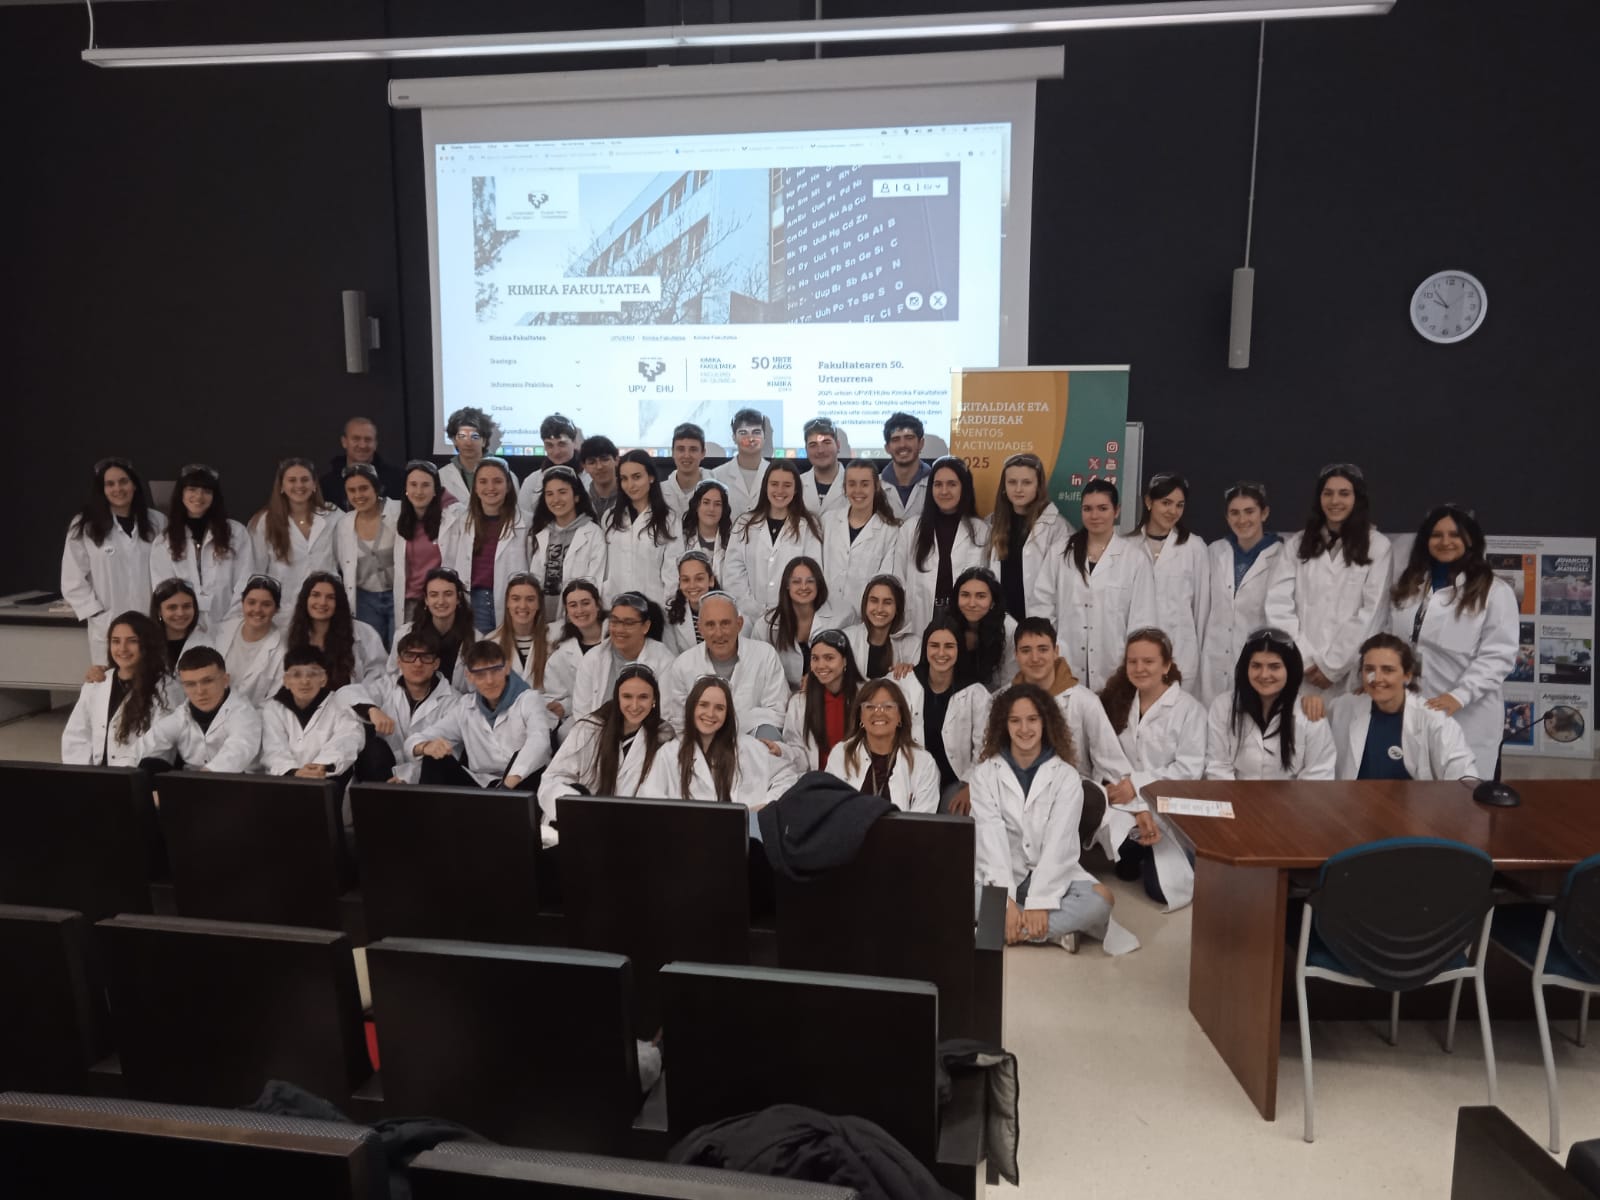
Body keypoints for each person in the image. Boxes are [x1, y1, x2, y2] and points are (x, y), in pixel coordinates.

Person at [969, 683, 1117, 954]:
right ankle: (1053, 933)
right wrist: (1004, 901)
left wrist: (1041, 901)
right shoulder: (984, 775)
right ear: (1004, 725)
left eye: (1032, 719)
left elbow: (1060, 844)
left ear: (1045, 722)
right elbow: (990, 841)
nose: (1024, 729)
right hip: (1001, 872)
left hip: (1050, 873)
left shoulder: (1066, 777)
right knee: (951, 894)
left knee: (1101, 900)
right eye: (1015, 720)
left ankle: (994, 930)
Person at [1385, 504, 1518, 779]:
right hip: (1412, 708)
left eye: (1454, 534)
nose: (1445, 541)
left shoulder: (1494, 591)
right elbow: (1392, 641)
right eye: (1436, 535)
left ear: (1470, 540)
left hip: (1467, 715)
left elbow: (1498, 657)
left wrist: (1459, 696)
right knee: (1412, 792)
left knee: (1463, 793)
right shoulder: (1410, 585)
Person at [1264, 463, 1393, 699]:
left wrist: (1332, 667)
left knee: (1348, 721)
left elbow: (1372, 614)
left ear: (1357, 498)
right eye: (1328, 493)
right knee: (1300, 722)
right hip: (1303, 671)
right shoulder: (1297, 544)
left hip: (1351, 672)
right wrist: (1305, 659)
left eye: (1344, 493)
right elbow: (1278, 605)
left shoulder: (1378, 546)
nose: (1335, 501)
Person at [1097, 628, 1205, 909]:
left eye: (1148, 661)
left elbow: (1189, 769)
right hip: (1125, 803)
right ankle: (1134, 849)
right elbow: (1106, 756)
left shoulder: (1189, 710)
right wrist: (1129, 795)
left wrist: (1137, 784)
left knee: (1161, 891)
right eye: (1132, 661)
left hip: (1167, 804)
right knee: (1118, 842)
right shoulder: (1118, 701)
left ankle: (1151, 852)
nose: (1139, 668)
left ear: (1166, 665)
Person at [1309, 634, 1476, 781]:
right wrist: (1309, 703)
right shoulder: (1342, 707)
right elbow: (1310, 748)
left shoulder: (1434, 720)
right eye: (1369, 669)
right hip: (1351, 804)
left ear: (1407, 675)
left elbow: (1465, 778)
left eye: (1388, 670)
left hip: (1414, 807)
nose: (1377, 678)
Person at [1041, 479, 1157, 690]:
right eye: (1088, 509)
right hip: (1065, 662)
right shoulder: (1059, 553)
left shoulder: (1134, 559)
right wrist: (1050, 648)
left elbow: (1143, 620)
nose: (1095, 516)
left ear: (1116, 510)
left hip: (1115, 664)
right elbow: (1042, 605)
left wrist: (1134, 661)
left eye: (1103, 508)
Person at [538, 664, 675, 825]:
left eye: (643, 697)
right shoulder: (589, 728)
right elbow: (553, 779)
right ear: (617, 698)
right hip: (579, 822)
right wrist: (579, 809)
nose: (635, 705)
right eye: (627, 696)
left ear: (654, 700)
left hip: (631, 824)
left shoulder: (663, 736)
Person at [1011, 618, 1136, 794]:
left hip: (1074, 795)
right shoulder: (1000, 701)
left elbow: (1111, 765)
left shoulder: (1085, 702)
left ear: (1056, 652)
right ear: (1015, 654)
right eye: (1026, 650)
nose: (1035, 658)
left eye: (1043, 649)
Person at [407, 640, 553, 789]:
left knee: (527, 763)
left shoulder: (529, 699)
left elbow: (539, 742)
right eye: (480, 674)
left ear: (507, 668)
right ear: (469, 676)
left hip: (523, 782)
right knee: (433, 759)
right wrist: (426, 747)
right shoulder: (465, 706)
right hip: (483, 786)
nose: (489, 681)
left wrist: (506, 787)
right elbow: (414, 740)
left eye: (495, 670)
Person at [62, 457, 165, 663]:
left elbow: (168, 571)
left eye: (123, 481)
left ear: (134, 485)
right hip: (109, 625)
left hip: (150, 622)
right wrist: (98, 614)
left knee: (153, 676)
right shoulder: (85, 525)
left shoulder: (157, 522)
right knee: (113, 679)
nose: (118, 489)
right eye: (110, 484)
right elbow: (72, 579)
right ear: (102, 490)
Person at [639, 675, 797, 808]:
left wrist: (766, 805)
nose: (710, 714)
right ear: (691, 708)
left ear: (728, 713)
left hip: (742, 832)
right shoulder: (669, 754)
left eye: (719, 708)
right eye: (703, 705)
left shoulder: (750, 747)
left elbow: (788, 777)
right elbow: (650, 799)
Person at [1204, 628, 1336, 780]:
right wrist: (1235, 796)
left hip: (1295, 796)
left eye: (1274, 666)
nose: (1264, 675)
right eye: (1256, 666)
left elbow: (1318, 775)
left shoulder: (1309, 712)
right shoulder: (1223, 707)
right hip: (1233, 793)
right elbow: (1218, 767)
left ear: (1290, 669)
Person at [894, 613, 993, 813]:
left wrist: (970, 785)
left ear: (959, 649)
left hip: (956, 782)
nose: (941, 653)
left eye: (949, 646)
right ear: (925, 648)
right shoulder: (905, 682)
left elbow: (985, 747)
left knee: (957, 815)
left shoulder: (975, 693)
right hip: (912, 779)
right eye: (934, 645)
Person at [661, 592, 790, 740]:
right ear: (700, 628)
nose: (719, 633)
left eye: (725, 623)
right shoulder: (683, 665)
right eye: (710, 625)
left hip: (755, 744)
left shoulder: (765, 655)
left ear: (739, 624)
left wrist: (728, 729)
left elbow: (777, 713)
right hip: (702, 744)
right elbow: (680, 722)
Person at [1199, 481, 1283, 704]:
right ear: (1227, 517)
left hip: (1259, 661)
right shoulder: (1214, 551)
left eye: (1249, 511)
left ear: (1264, 513)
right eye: (1234, 513)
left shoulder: (1281, 555)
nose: (1242, 519)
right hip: (1214, 661)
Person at [148, 463, 257, 633]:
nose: (199, 496)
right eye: (192, 489)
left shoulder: (236, 533)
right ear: (181, 493)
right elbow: (164, 590)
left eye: (206, 491)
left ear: (214, 496)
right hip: (184, 627)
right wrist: (188, 622)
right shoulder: (164, 541)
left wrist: (231, 621)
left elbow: (246, 581)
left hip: (231, 626)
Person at [348, 630, 459, 784]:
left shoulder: (454, 701)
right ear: (399, 662)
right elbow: (345, 694)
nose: (417, 663)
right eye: (409, 656)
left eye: (426, 657)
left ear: (436, 663)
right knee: (372, 748)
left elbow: (451, 754)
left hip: (427, 781)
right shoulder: (385, 685)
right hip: (383, 772)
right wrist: (371, 710)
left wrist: (407, 777)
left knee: (438, 758)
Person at [897, 456, 990, 637]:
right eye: (938, 484)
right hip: (920, 618)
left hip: (965, 619)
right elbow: (899, 579)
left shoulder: (981, 530)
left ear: (964, 488)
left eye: (952, 484)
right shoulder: (911, 529)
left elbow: (989, 584)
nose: (944, 491)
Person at [61, 611, 169, 767]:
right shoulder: (97, 683)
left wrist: (122, 772)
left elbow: (160, 741)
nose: (122, 648)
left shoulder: (165, 687)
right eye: (116, 641)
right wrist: (83, 772)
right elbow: (76, 735)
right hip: (95, 773)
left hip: (136, 772)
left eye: (132, 641)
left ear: (147, 644)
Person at [137, 645, 263, 775]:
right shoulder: (182, 715)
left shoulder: (243, 713)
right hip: (193, 782)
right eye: (190, 684)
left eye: (207, 681)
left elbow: (238, 751)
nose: (200, 691)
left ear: (225, 680)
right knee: (148, 765)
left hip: (238, 782)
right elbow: (146, 745)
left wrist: (198, 781)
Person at [723, 460, 824, 621]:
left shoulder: (808, 526)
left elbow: (811, 573)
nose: (780, 490)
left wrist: (788, 610)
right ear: (765, 487)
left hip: (792, 616)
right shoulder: (744, 524)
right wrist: (752, 609)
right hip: (749, 617)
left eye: (787, 485)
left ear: (796, 489)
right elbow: (733, 573)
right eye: (774, 484)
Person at [1134, 472, 1209, 685]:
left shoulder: (1194, 547)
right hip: (1139, 657)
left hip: (1182, 657)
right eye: (1166, 503)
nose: (1173, 511)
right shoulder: (1128, 546)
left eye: (1179, 505)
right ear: (1149, 502)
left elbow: (1202, 610)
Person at [823, 679, 940, 813]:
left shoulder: (923, 762)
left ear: (900, 716)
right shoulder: (842, 754)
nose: (878, 712)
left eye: (888, 706)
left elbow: (923, 818)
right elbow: (831, 808)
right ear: (860, 716)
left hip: (904, 828)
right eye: (870, 707)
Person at [441, 456, 528, 634]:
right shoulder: (461, 521)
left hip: (515, 601)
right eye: (483, 481)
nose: (490, 487)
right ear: (475, 487)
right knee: (480, 649)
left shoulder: (526, 522)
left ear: (508, 485)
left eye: (497, 481)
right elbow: (450, 564)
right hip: (475, 600)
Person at [250, 457, 338, 623]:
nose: (299, 485)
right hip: (283, 612)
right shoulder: (265, 521)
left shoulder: (333, 515)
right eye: (292, 480)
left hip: (325, 608)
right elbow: (256, 569)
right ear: (281, 486)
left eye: (305, 480)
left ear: (314, 484)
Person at [259, 646, 365, 780]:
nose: (305, 681)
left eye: (312, 674)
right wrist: (295, 772)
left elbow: (348, 740)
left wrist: (321, 765)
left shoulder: (341, 704)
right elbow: (274, 750)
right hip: (285, 780)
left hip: (327, 779)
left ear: (323, 679)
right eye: (296, 675)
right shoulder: (273, 708)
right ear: (286, 680)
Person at [986, 452, 1070, 622]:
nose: (1018, 489)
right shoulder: (991, 524)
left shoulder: (1057, 528)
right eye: (1012, 482)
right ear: (1004, 486)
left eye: (1026, 482)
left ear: (1038, 486)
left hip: (1040, 621)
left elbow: (1063, 586)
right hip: (1000, 622)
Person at [569, 592, 676, 724]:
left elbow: (665, 714)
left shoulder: (664, 660)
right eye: (615, 621)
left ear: (645, 626)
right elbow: (582, 713)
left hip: (648, 732)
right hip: (597, 731)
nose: (619, 629)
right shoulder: (593, 658)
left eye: (628, 623)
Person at [821, 460, 900, 628]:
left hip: (864, 623)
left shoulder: (889, 531)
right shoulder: (828, 521)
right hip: (823, 617)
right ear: (844, 488)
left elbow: (884, 582)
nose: (858, 490)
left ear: (876, 486)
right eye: (852, 484)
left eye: (864, 484)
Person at [333, 462, 402, 647]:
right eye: (352, 490)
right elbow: (340, 564)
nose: (358, 495)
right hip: (365, 601)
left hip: (399, 596)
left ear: (376, 488)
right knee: (371, 651)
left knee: (398, 649)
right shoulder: (344, 524)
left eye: (364, 488)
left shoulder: (398, 512)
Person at [285, 572, 387, 696]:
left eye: (330, 597)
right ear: (305, 599)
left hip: (350, 704)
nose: (322, 602)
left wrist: (356, 698)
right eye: (316, 595)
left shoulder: (364, 632)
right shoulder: (291, 634)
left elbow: (378, 675)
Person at [528, 465, 606, 624]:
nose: (556, 499)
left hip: (577, 618)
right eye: (550, 494)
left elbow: (595, 582)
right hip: (541, 619)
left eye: (562, 492)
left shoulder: (593, 533)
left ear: (576, 496)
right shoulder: (540, 532)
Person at [780, 628, 863, 771]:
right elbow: (798, 751)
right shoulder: (799, 703)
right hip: (818, 780)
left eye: (829, 658)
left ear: (845, 660)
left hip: (856, 778)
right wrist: (782, 751)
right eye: (815, 658)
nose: (821, 665)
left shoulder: (865, 697)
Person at [393, 459, 462, 628]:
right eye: (413, 485)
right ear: (406, 488)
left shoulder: (452, 516)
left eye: (425, 485)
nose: (418, 491)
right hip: (411, 602)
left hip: (440, 600)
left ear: (435, 490)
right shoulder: (400, 518)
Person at [602, 449, 676, 604]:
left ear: (651, 477)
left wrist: (669, 608)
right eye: (624, 479)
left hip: (654, 607)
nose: (630, 485)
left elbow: (672, 575)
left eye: (637, 477)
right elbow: (605, 570)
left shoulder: (669, 520)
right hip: (615, 606)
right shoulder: (610, 518)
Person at [388, 567, 478, 692]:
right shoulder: (404, 634)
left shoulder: (476, 640)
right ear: (426, 600)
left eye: (448, 594)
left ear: (458, 598)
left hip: (458, 703)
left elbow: (477, 688)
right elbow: (391, 676)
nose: (441, 601)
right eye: (434, 595)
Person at [750, 556, 829, 691]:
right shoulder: (764, 626)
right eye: (796, 582)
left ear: (818, 584)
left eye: (810, 581)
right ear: (787, 585)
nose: (803, 587)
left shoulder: (841, 618)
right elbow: (757, 671)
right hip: (779, 696)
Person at [210, 575, 287, 707]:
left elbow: (273, 704)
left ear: (276, 609)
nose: (257, 609)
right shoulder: (222, 631)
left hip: (251, 717)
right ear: (242, 603)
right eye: (251, 602)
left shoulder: (282, 653)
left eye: (266, 605)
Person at [542, 579, 606, 729]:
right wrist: (562, 706)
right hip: (581, 720)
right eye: (573, 605)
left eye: (585, 603)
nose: (580, 610)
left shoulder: (617, 639)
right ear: (567, 611)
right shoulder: (561, 655)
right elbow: (556, 695)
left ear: (598, 605)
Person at [951, 566, 1018, 691]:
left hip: (997, 697)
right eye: (965, 595)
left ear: (993, 601)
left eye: (980, 596)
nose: (972, 603)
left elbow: (1010, 681)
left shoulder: (1009, 628)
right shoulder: (947, 624)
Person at [841, 575, 921, 679]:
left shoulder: (913, 645)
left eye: (887, 602)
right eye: (874, 601)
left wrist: (909, 672)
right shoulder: (847, 639)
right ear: (865, 604)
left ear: (897, 608)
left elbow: (918, 684)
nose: (879, 609)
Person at [515, 412, 589, 520]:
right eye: (549, 445)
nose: (556, 452)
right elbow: (523, 520)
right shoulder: (532, 481)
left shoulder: (590, 477)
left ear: (574, 442)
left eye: (562, 444)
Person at [320, 416, 404, 509]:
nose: (362, 445)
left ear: (375, 444)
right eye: (356, 439)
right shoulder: (326, 485)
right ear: (344, 442)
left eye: (368, 439)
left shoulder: (398, 479)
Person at [666, 478, 732, 594]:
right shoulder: (680, 540)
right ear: (696, 506)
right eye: (706, 502)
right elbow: (671, 581)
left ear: (724, 510)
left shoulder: (733, 542)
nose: (711, 509)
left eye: (717, 504)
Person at [486, 572, 552, 689]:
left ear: (539, 604)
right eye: (516, 599)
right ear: (507, 603)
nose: (522, 606)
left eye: (530, 599)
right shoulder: (491, 643)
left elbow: (562, 689)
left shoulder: (554, 640)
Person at [147, 578, 213, 694]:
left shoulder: (207, 643)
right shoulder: (146, 645)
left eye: (186, 606)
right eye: (172, 607)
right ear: (159, 611)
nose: (180, 613)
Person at [439, 406, 510, 508]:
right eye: (462, 436)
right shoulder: (441, 476)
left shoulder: (506, 474)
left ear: (484, 441)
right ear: (454, 440)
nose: (468, 443)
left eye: (475, 436)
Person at [709, 408, 770, 516]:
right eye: (743, 433)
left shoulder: (776, 473)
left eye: (756, 432)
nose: (751, 439)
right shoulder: (717, 476)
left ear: (764, 436)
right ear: (734, 438)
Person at [662, 550, 718, 655]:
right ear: (680, 583)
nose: (692, 585)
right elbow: (671, 656)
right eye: (686, 580)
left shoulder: (731, 611)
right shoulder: (670, 615)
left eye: (699, 579)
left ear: (711, 580)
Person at [879, 412, 931, 520]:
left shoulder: (936, 483)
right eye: (895, 439)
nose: (902, 445)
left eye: (909, 438)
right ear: (887, 448)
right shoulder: (875, 485)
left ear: (921, 443)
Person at [799, 417, 849, 517]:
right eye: (813, 445)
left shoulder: (854, 484)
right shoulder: (797, 484)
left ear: (838, 445)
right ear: (806, 450)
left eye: (826, 443)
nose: (820, 450)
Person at [661, 422, 711, 518]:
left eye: (693, 449)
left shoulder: (718, 490)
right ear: (673, 452)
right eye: (681, 449)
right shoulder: (659, 492)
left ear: (703, 453)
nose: (687, 455)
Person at [578, 435, 621, 519]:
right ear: (584, 466)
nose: (599, 467)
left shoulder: (630, 495)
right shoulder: (579, 500)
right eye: (592, 462)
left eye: (605, 459)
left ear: (616, 460)